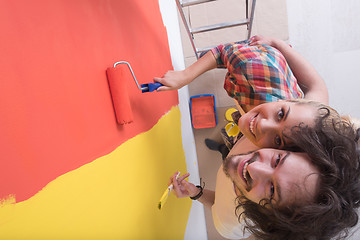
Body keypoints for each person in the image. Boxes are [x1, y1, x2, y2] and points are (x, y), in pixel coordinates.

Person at [170, 115, 360, 240]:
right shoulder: (260, 142)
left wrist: (196, 194)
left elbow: (218, 206)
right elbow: (316, 87)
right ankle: (223, 149)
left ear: (269, 216)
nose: (254, 167)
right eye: (278, 160)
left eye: (272, 190)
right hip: (232, 156)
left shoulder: (230, 222)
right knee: (228, 157)